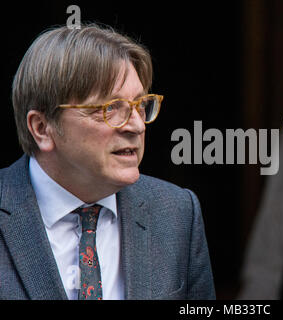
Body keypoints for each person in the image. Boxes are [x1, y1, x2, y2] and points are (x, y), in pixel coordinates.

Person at [0, 24, 215, 300]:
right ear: (42, 128)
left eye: (140, 105)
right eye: (110, 108)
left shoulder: (176, 214)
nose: (136, 126)